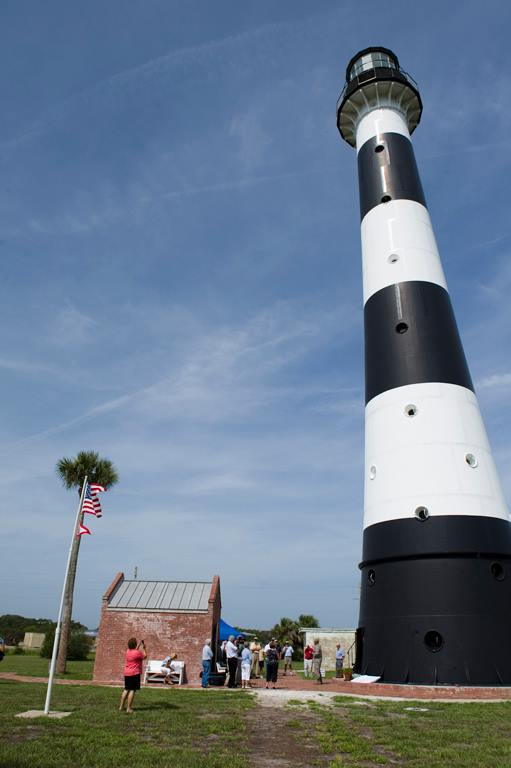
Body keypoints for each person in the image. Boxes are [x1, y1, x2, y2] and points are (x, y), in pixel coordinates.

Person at [119, 637, 147, 713]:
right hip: (134, 673)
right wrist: (144, 648)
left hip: (127, 673)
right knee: (132, 690)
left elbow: (135, 650)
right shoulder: (137, 653)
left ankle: (121, 707)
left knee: (126, 689)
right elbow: (145, 656)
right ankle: (128, 708)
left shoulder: (128, 651)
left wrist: (139, 644)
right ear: (134, 645)